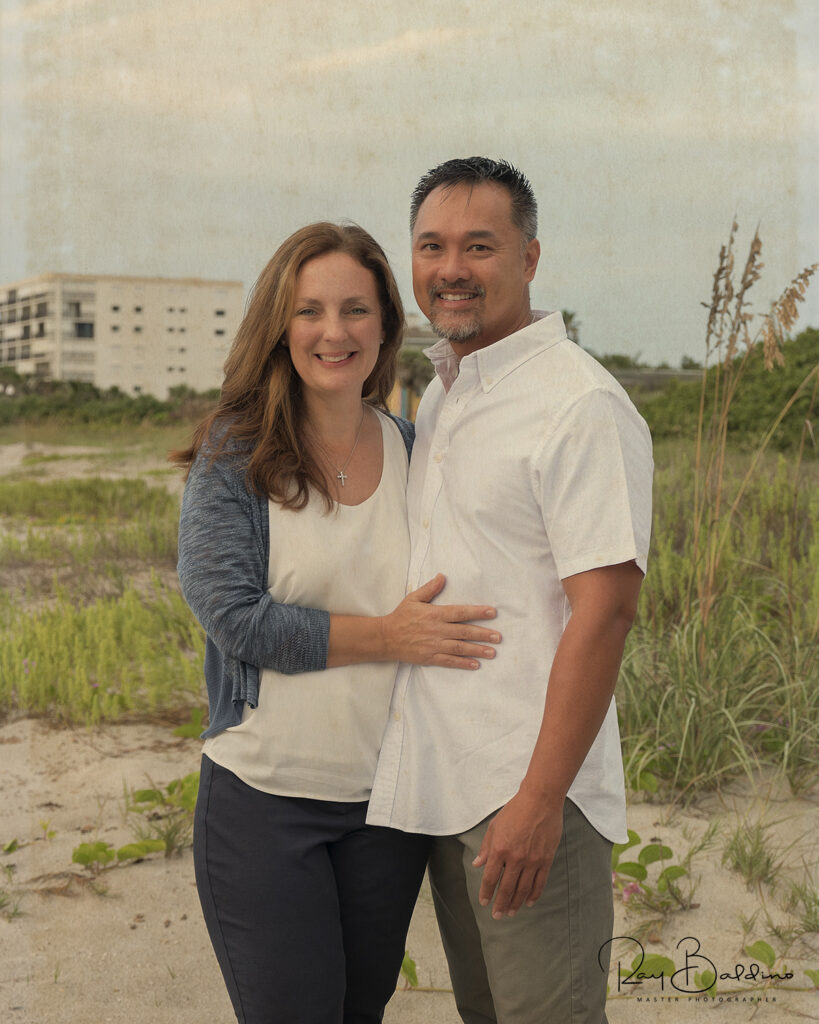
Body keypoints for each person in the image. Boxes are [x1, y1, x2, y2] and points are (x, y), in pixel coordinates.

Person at [171, 222, 502, 1024]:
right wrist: (388, 636)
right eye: (310, 310)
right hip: (264, 799)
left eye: (355, 309)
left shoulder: (416, 449)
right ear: (279, 326)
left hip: (388, 806)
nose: (333, 331)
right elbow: (233, 617)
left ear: (386, 325)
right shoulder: (234, 454)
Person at [368, 158, 654, 1024]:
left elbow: (604, 612)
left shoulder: (578, 405)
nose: (451, 268)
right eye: (431, 246)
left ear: (529, 258)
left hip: (531, 795)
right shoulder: (444, 390)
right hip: (448, 784)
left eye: (479, 246)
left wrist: (536, 802)